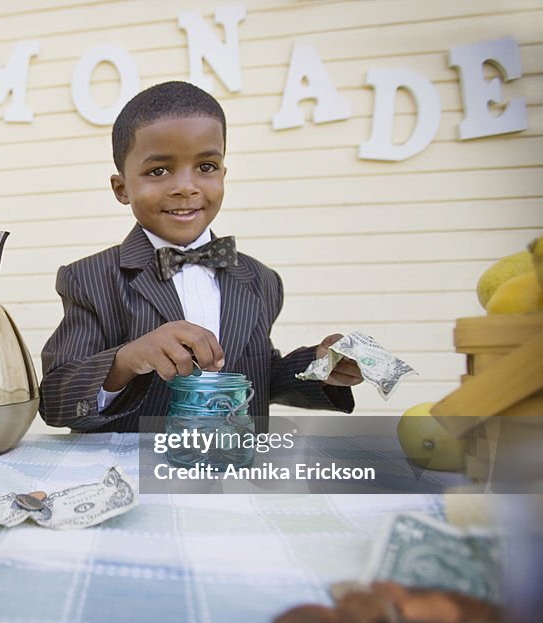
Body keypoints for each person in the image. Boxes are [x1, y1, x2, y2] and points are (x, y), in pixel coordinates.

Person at [39, 81, 363, 432]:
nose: (186, 187)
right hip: (132, 474)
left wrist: (320, 367)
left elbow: (260, 375)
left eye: (206, 166)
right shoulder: (89, 279)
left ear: (223, 173)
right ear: (122, 189)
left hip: (231, 468)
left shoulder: (260, 279)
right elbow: (56, 401)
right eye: (158, 171)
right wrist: (128, 360)